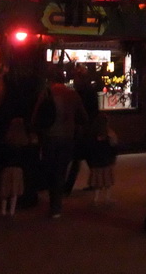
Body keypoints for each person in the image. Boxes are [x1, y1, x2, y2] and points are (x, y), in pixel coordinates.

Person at [31, 73, 89, 219]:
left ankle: (53, 202)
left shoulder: (46, 93)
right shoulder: (72, 95)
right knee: (61, 169)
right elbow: (83, 116)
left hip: (49, 136)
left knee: (50, 167)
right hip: (67, 136)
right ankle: (57, 205)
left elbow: (36, 115)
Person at [64, 65, 102, 195]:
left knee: (77, 157)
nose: (75, 81)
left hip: (83, 128)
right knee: (85, 157)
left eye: (76, 78)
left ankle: (68, 187)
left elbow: (84, 111)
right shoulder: (87, 91)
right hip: (86, 128)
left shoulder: (82, 92)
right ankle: (96, 182)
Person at [0, 117, 30, 217]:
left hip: (7, 168)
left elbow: (1, 157)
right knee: (14, 191)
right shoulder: (23, 143)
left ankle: (3, 210)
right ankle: (12, 211)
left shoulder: (6, 142)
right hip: (17, 169)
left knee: (5, 191)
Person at [87, 113, 119, 205]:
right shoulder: (109, 134)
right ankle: (107, 198)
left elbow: (89, 148)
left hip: (96, 161)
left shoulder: (92, 135)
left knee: (97, 181)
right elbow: (114, 146)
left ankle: (96, 198)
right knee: (107, 180)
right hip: (106, 160)